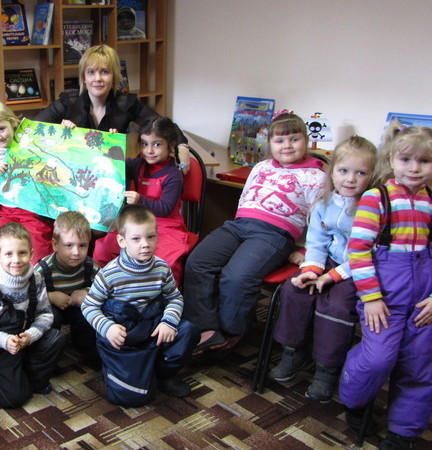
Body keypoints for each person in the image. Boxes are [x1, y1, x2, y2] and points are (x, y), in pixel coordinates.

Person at [183, 112, 325, 353]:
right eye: (279, 140)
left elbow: (321, 221)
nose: (287, 146)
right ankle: (206, 328)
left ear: (306, 140)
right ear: (270, 144)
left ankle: (232, 331)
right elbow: (245, 197)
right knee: (198, 262)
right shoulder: (261, 166)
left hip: (274, 233)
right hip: (240, 225)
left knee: (236, 277)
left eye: (294, 139)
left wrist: (305, 251)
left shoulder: (315, 176)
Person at [339, 124, 432, 450]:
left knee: (419, 363)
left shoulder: (431, 200)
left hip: (423, 300)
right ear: (392, 160)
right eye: (406, 159)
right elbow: (358, 250)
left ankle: (403, 431)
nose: (415, 168)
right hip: (384, 297)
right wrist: (372, 298)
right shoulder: (376, 198)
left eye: (424, 161)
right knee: (378, 358)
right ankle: (354, 401)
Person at [269, 136, 377, 403]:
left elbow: (368, 253)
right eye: (343, 170)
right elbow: (317, 241)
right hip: (327, 261)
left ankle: (327, 369)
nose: (350, 179)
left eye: (360, 173)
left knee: (336, 306)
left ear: (371, 176)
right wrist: (312, 270)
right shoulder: (324, 203)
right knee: (294, 290)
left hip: (357, 269)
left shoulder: (372, 208)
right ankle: (293, 352)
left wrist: (333, 276)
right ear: (332, 172)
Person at [82, 205, 199, 406]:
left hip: (152, 328)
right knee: (134, 398)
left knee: (189, 330)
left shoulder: (161, 268)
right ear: (122, 241)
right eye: (136, 239)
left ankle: (164, 375)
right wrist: (107, 328)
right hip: (124, 336)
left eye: (150, 237)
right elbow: (89, 306)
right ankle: (124, 370)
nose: (145, 244)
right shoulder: (109, 274)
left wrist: (168, 322)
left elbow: (174, 298)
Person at [35, 44, 190, 168]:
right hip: (74, 173)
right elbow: (32, 129)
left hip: (112, 174)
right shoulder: (68, 103)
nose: (97, 78)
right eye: (91, 72)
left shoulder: (126, 103)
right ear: (83, 77)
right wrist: (59, 134)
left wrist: (182, 147)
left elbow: (165, 126)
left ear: (114, 76)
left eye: (104, 72)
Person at [0, 222, 67, 408]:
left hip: (26, 339)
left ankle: (29, 375)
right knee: (13, 399)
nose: (16, 260)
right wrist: (5, 340)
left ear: (31, 254)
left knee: (57, 337)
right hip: (2, 347)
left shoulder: (36, 278)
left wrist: (30, 336)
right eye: (9, 254)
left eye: (22, 253)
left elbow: (46, 314)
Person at [93, 116, 191, 283]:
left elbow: (165, 209)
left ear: (171, 145)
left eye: (157, 144)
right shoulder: (139, 164)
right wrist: (112, 140)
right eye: (145, 144)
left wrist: (140, 200)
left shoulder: (174, 175)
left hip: (165, 226)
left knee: (167, 260)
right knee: (103, 249)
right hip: (136, 222)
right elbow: (116, 163)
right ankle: (106, 287)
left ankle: (165, 295)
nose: (149, 150)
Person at [0, 99, 54, 263]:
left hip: (33, 210)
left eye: (1, 129)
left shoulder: (29, 145)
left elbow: (53, 144)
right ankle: (9, 273)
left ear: (12, 123)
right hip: (7, 212)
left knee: (38, 244)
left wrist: (66, 127)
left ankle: (40, 274)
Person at [33, 211, 100, 360]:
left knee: (89, 314)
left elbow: (104, 289)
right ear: (55, 244)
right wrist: (50, 297)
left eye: (82, 245)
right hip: (53, 310)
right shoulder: (43, 269)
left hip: (78, 309)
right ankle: (49, 349)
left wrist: (87, 292)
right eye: (69, 245)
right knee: (51, 318)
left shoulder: (91, 266)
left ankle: (83, 344)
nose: (76, 252)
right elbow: (30, 296)